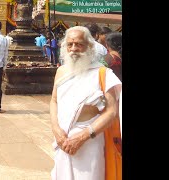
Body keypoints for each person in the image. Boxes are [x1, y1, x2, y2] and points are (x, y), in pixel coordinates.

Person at [50, 26, 122, 180]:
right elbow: (54, 101)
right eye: (70, 44)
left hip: (90, 142)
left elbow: (111, 111)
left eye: (79, 44)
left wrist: (82, 136)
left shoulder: (102, 73)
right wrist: (56, 129)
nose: (74, 49)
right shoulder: (61, 72)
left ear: (89, 46)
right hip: (62, 140)